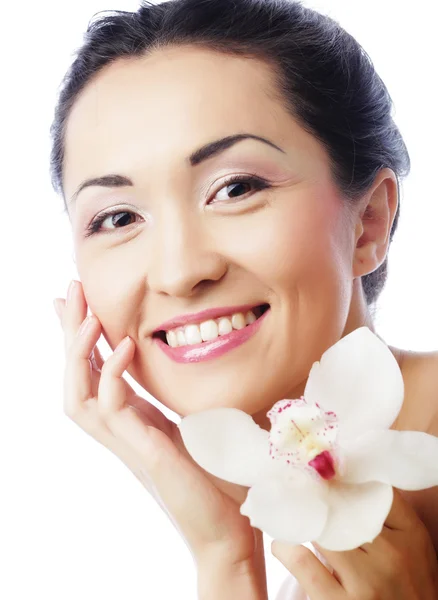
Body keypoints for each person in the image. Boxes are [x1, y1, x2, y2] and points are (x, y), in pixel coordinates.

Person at [50, 0, 438, 597]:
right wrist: (226, 560)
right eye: (118, 217)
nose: (180, 272)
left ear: (369, 223)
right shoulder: (289, 555)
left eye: (235, 187)